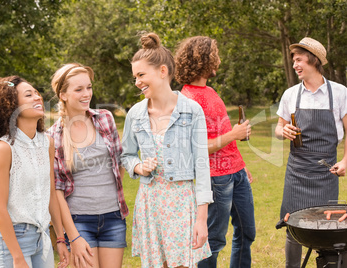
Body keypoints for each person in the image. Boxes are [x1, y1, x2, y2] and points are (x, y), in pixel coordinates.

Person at [121, 32, 213, 268]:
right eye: (135, 77)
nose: (137, 82)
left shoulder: (191, 110)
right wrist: (139, 167)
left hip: (182, 202)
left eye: (141, 75)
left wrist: (201, 220)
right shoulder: (135, 114)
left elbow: (202, 166)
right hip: (150, 204)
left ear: (163, 71)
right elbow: (127, 155)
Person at [174, 36, 256, 268]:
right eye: (215, 54)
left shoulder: (210, 91)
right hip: (214, 177)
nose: (218, 59)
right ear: (205, 58)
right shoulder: (186, 99)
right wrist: (235, 134)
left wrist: (240, 163)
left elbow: (222, 132)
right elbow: (195, 147)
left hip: (236, 173)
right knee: (213, 241)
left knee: (247, 232)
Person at [0, 76, 69, 268]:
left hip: (41, 237)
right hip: (12, 240)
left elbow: (50, 193)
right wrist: (17, 256)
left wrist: (60, 238)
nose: (37, 98)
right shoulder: (4, 148)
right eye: (29, 95)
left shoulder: (47, 143)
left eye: (37, 93)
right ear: (11, 106)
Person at [47, 63, 129, 268]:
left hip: (113, 217)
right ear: (63, 95)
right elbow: (56, 192)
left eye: (89, 87)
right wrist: (72, 237)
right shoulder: (53, 135)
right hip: (79, 221)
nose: (87, 94)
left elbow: (119, 163)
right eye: (79, 89)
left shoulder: (105, 119)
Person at [275, 37, 347, 267]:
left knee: (326, 227)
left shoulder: (339, 93)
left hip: (326, 174)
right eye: (294, 60)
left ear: (313, 60)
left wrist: (346, 160)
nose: (295, 64)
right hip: (297, 173)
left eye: (299, 59)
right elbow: (278, 128)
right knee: (292, 227)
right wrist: (282, 130)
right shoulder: (290, 94)